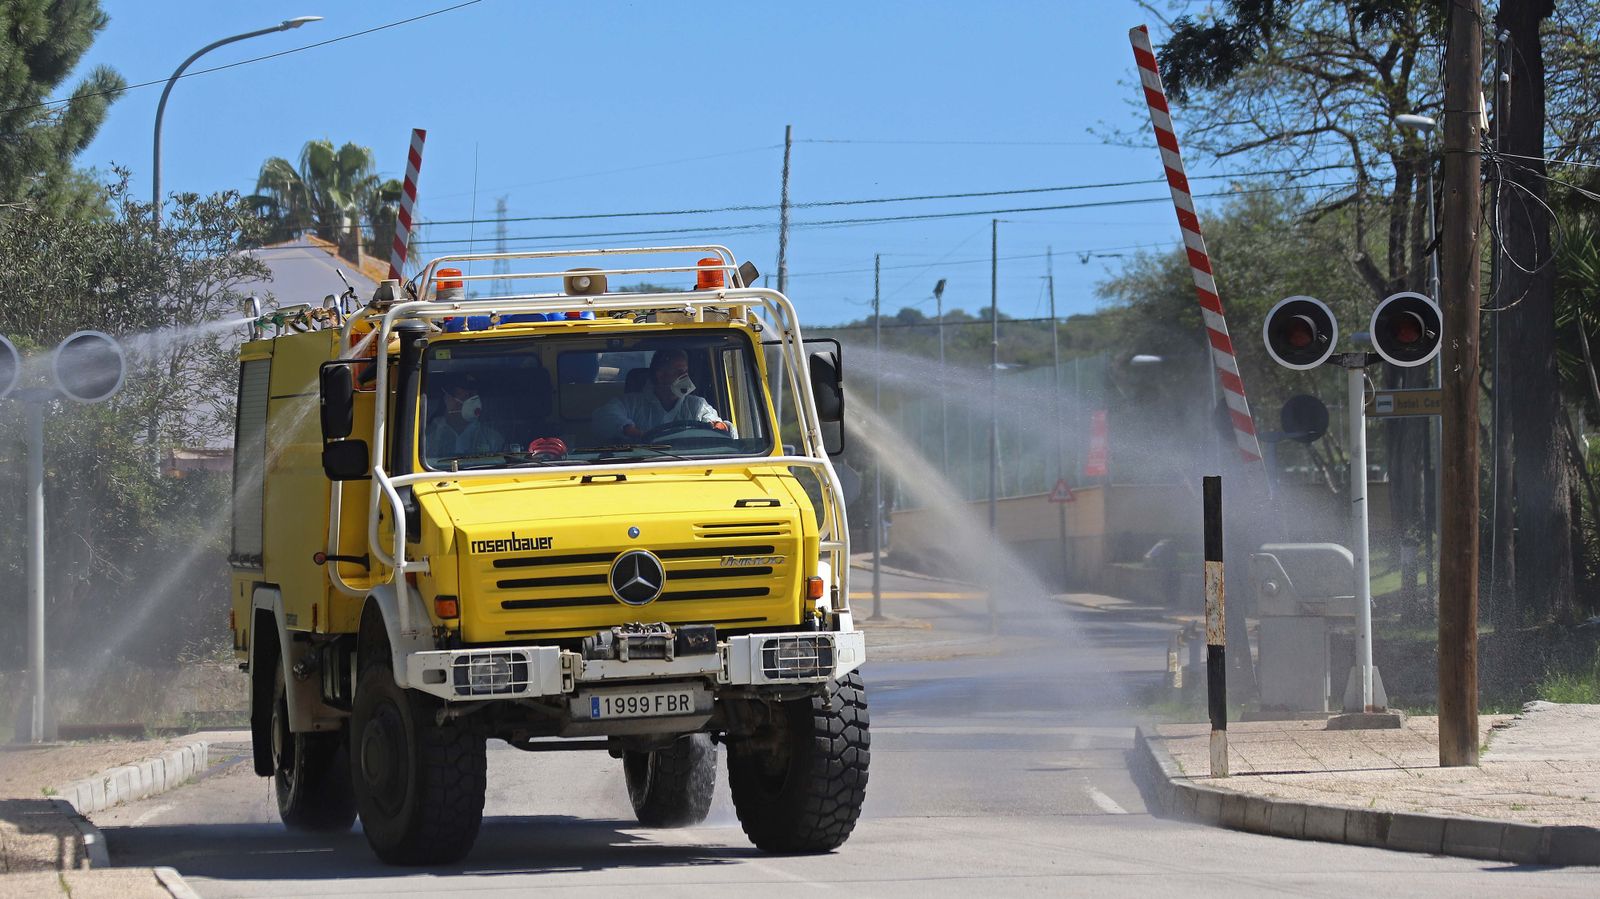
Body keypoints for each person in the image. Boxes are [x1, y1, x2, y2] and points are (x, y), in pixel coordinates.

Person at [592, 348, 732, 441]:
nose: (685, 377)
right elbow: (604, 417)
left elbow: (721, 426)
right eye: (679, 372)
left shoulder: (696, 405)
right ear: (661, 375)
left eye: (686, 372)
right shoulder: (630, 404)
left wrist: (721, 427)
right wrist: (632, 432)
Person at [425, 374, 504, 460]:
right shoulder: (428, 437)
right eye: (467, 396)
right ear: (448, 399)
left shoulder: (491, 439)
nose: (473, 402)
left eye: (474, 396)